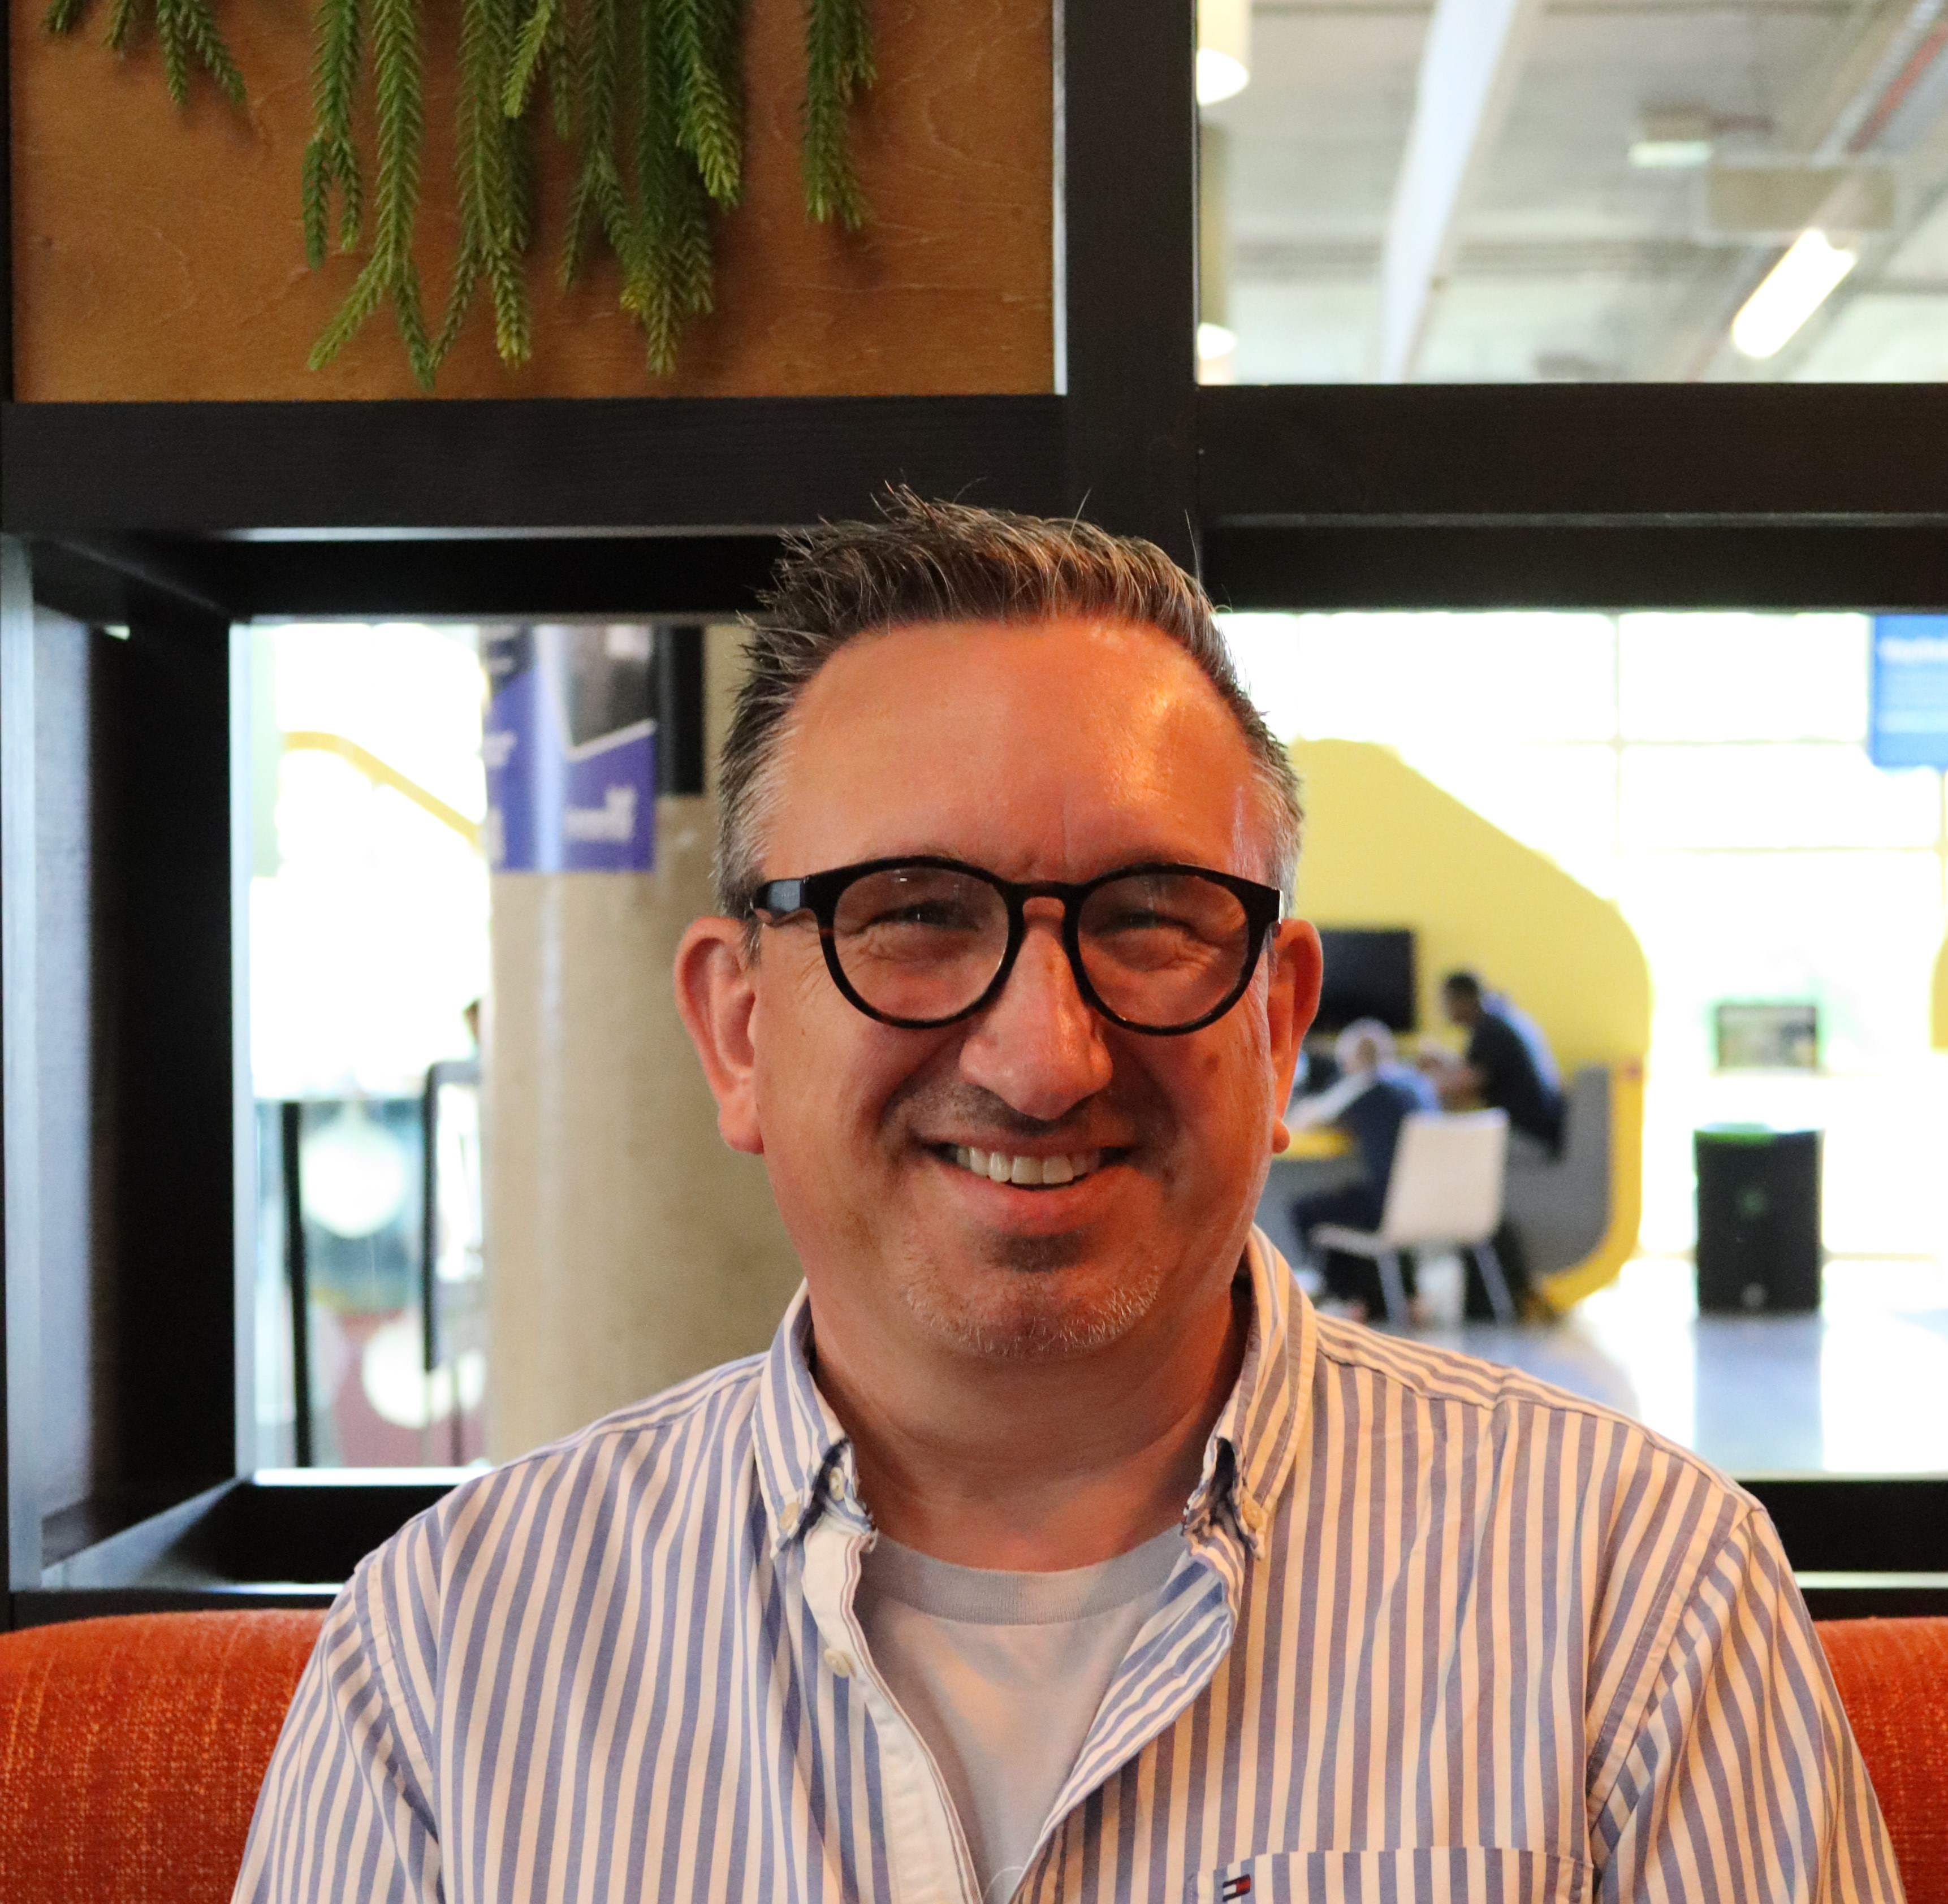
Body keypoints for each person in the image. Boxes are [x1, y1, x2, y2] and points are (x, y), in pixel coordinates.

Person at [236, 496, 1900, 1904]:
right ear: (738, 1034)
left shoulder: (1631, 1598)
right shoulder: (444, 1662)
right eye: (911, 913)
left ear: (1277, 1022)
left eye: (1152, 918)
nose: (1042, 1058)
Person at [1288, 1018, 1437, 1317]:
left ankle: (1348, 1300)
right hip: (1430, 1203)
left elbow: (1306, 1120)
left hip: (1389, 1207)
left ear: (1352, 1062)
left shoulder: (1368, 1087)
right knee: (1356, 1199)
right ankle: (1411, 1299)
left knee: (1307, 1211)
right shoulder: (1417, 1086)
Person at [1430, 967, 1565, 1154]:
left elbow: (1466, 1087)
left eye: (1446, 1001)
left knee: (1447, 1150)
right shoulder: (1503, 1018)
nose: (1443, 1009)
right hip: (1543, 1129)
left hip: (1529, 1135)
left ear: (1462, 1000)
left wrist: (1417, 1085)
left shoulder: (1489, 1029)